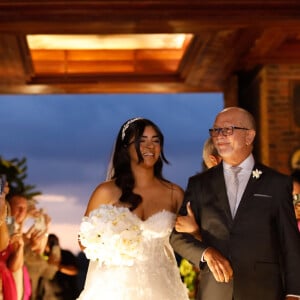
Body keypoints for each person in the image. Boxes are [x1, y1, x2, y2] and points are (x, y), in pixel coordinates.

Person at [170, 107, 300, 300]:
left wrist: (294, 294)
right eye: (216, 130)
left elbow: (291, 244)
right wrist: (206, 252)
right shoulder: (199, 184)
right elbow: (177, 238)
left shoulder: (277, 184)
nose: (220, 135)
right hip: (214, 293)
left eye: (228, 129)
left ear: (249, 136)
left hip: (264, 293)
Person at [77, 117, 189, 300]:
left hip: (163, 286)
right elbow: (84, 241)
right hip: (114, 288)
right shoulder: (105, 191)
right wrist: (112, 242)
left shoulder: (174, 193)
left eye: (155, 141)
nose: (149, 146)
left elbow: (190, 239)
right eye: (141, 141)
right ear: (125, 148)